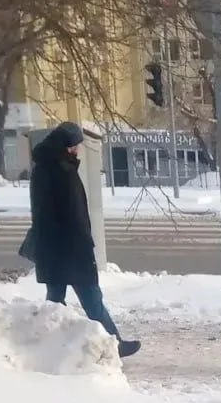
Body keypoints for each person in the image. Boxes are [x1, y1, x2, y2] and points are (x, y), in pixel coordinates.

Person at [29, 122, 139, 358]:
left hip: (52, 249)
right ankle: (114, 345)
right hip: (72, 251)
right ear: (67, 147)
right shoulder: (63, 172)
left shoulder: (43, 168)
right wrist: (85, 249)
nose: (78, 149)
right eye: (76, 145)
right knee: (92, 299)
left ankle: (49, 348)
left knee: (55, 302)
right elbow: (75, 217)